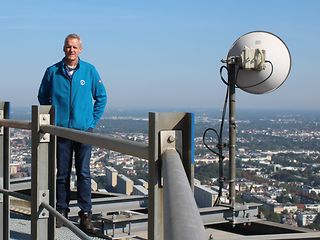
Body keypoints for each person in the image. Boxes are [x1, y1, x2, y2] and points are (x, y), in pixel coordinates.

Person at [38, 33, 107, 232]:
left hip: (84, 131)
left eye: (75, 47)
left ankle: (85, 215)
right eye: (68, 46)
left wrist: (91, 122)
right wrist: (55, 118)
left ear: (80, 49)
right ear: (63, 48)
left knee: (84, 174)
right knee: (62, 174)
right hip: (61, 131)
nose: (71, 50)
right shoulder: (52, 71)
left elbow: (101, 97)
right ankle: (62, 212)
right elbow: (43, 97)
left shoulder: (89, 70)